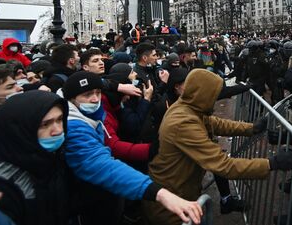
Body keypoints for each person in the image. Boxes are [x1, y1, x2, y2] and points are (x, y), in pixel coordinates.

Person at [142, 69, 292, 225]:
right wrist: (271, 163)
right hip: (170, 206)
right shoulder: (182, 122)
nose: (215, 99)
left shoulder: (188, 107)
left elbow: (215, 123)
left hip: (179, 195)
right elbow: (224, 165)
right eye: (213, 95)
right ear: (202, 94)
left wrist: (251, 128)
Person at [62, 71, 202, 225]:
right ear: (71, 99)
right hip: (87, 200)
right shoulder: (74, 127)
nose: (95, 99)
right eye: (87, 95)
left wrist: (118, 86)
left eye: (98, 93)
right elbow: (102, 165)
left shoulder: (93, 114)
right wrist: (158, 193)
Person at [0, 90, 70, 225]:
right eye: (45, 124)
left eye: (60, 119)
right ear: (19, 131)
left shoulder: (54, 159)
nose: (58, 130)